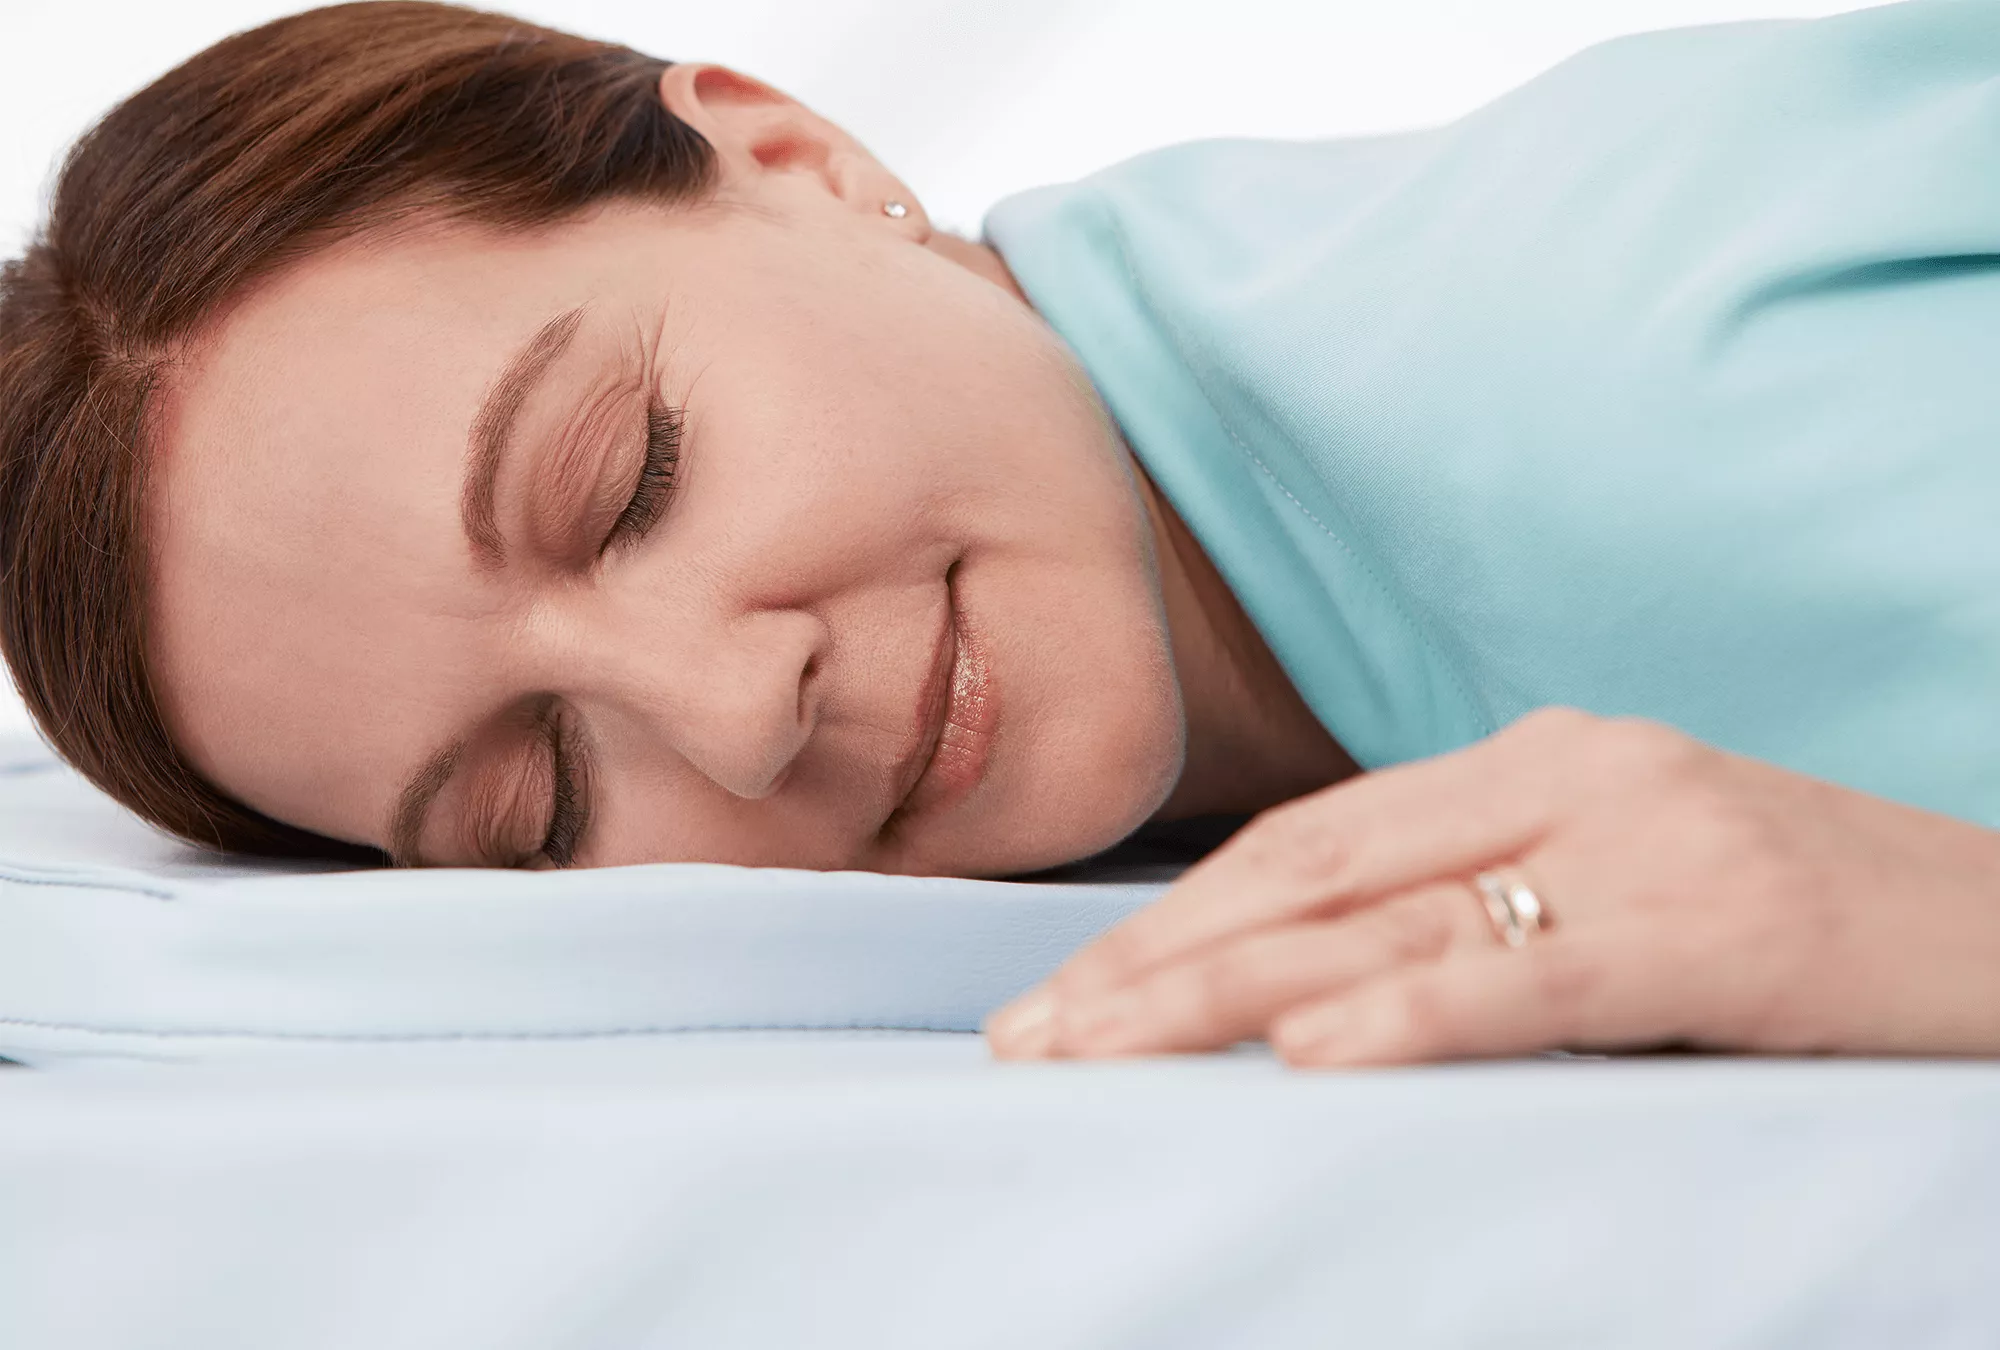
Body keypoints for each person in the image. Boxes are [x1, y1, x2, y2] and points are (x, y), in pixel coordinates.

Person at [2, 0, 1998, 1067]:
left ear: (798, 157)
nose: (728, 712)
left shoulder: (1648, 346)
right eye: (538, 803)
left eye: (631, 475)